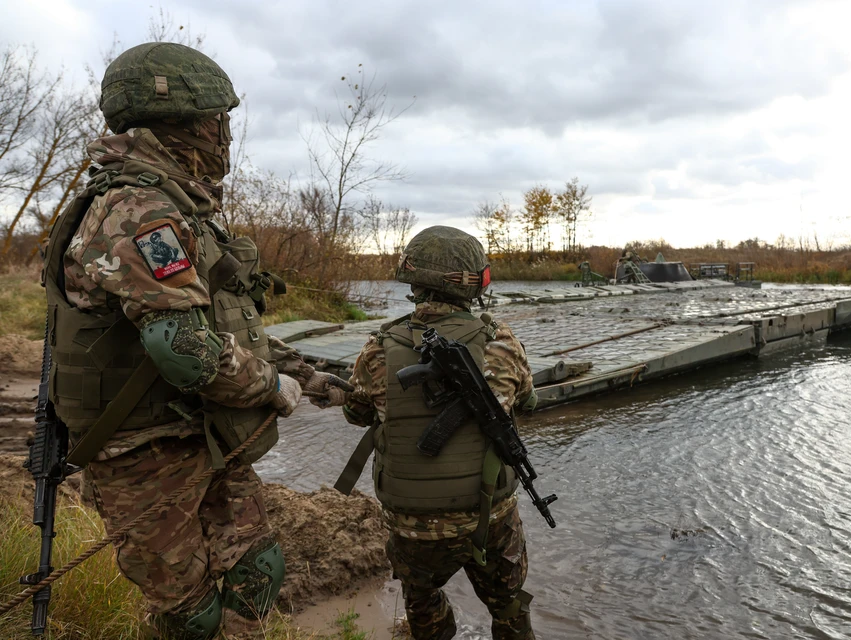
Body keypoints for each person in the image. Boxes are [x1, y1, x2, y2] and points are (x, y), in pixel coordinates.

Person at [42, 42, 352, 639]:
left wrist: (307, 375)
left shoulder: (184, 208)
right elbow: (185, 348)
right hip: (140, 451)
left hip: (201, 433)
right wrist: (272, 386)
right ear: (181, 123)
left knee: (259, 569)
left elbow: (227, 323)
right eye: (219, 121)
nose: (226, 135)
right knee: (192, 615)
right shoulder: (136, 210)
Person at [339, 226, 540, 640]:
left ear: (412, 279)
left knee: (422, 600)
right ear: (475, 283)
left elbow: (356, 414)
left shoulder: (377, 348)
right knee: (509, 605)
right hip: (489, 516)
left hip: (412, 524)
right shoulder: (501, 341)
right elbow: (528, 403)